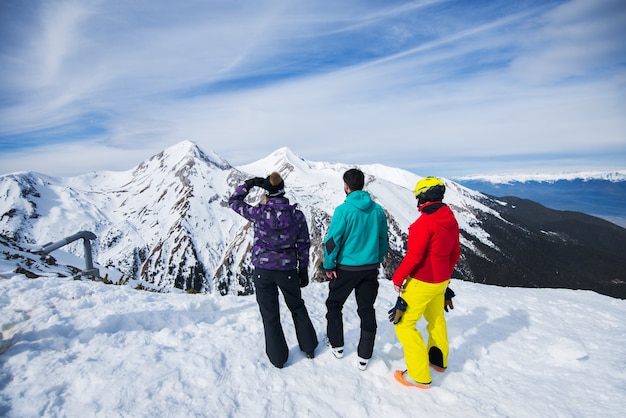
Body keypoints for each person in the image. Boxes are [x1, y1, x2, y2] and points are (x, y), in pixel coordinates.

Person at [228, 171, 318, 368]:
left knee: (270, 314)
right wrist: (302, 270)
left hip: (263, 270)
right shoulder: (297, 216)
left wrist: (249, 184)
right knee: (297, 307)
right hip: (287, 271)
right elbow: (304, 244)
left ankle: (278, 359)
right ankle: (309, 347)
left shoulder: (258, 213)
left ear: (266, 194)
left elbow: (233, 200)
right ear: (284, 193)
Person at [390, 176, 460, 389]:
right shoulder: (450, 218)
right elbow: (455, 253)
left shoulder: (423, 223)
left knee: (404, 325)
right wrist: (445, 278)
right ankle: (438, 362)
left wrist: (397, 278)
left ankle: (419, 375)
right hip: (440, 281)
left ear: (423, 197)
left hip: (422, 281)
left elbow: (414, 257)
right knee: (436, 319)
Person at [323, 168, 389, 371]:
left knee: (335, 305)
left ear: (346, 185)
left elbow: (332, 241)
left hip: (346, 269)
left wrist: (328, 265)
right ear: (363, 184)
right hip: (369, 269)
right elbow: (383, 240)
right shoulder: (377, 210)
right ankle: (364, 355)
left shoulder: (343, 210)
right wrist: (375, 259)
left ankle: (337, 345)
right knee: (366, 309)